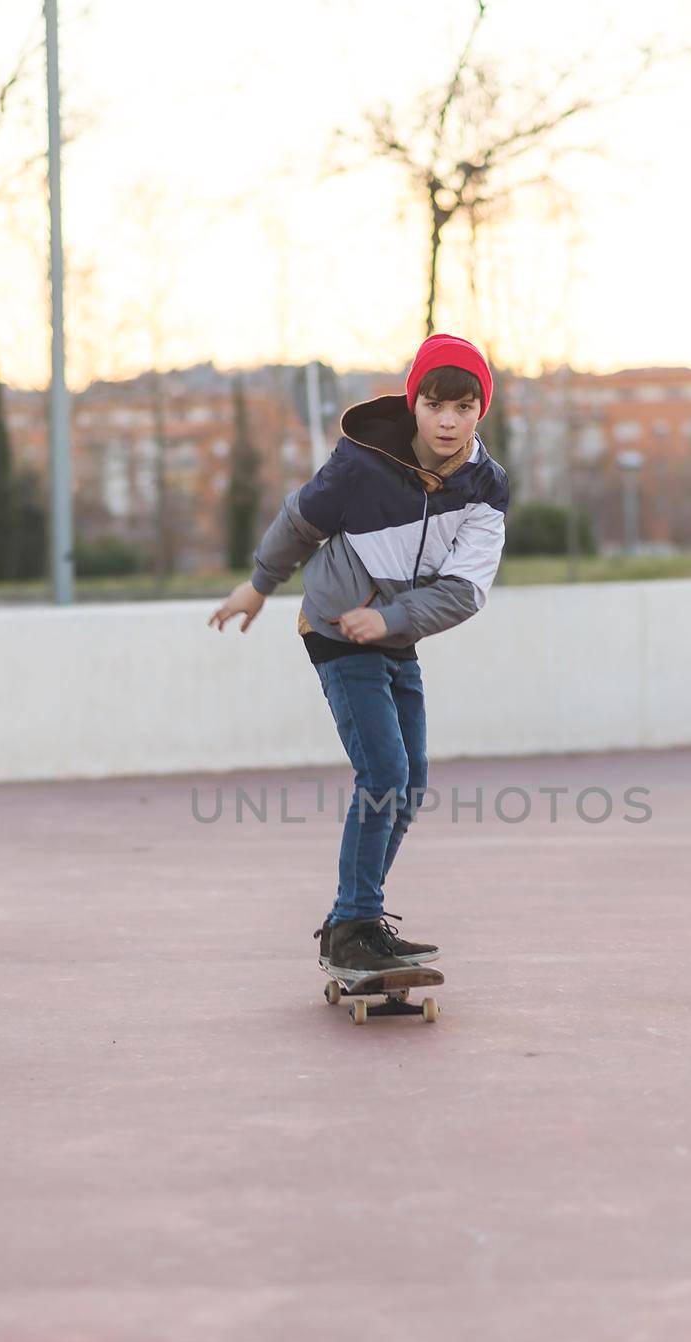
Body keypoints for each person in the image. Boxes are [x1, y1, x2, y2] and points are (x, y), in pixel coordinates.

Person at [208, 332, 509, 978]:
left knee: (410, 782)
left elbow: (466, 590)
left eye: (464, 407)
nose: (449, 421)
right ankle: (355, 925)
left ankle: (355, 921)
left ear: (481, 409)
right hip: (336, 629)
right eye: (435, 405)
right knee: (384, 775)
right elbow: (299, 521)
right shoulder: (362, 462)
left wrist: (393, 619)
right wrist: (259, 586)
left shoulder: (486, 489)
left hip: (394, 634)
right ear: (415, 402)